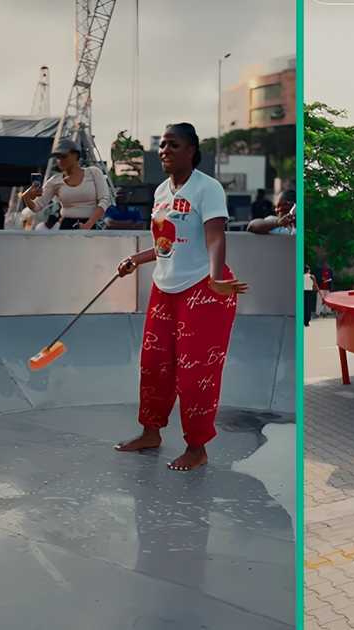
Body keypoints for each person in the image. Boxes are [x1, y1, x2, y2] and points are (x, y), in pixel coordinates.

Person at [112, 122, 248, 472]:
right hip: (165, 288)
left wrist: (217, 276)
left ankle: (197, 447)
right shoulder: (160, 192)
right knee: (154, 365)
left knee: (194, 373)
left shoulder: (209, 188)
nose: (165, 151)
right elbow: (166, 245)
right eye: (163, 146)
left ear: (191, 151)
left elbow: (216, 237)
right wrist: (136, 260)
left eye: (173, 145)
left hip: (205, 288)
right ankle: (151, 432)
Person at [19, 138, 112, 230]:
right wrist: (26, 196)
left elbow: (104, 200)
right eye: (57, 158)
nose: (60, 161)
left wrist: (89, 224)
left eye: (63, 156)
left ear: (75, 155)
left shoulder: (93, 173)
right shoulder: (54, 181)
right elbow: (37, 206)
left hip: (91, 224)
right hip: (66, 224)